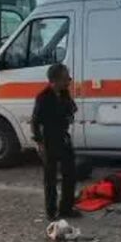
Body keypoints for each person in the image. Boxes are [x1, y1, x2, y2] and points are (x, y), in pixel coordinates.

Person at [31, 62, 78, 221]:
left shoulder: (64, 94)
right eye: (66, 78)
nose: (69, 81)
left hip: (63, 138)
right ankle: (51, 211)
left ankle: (67, 208)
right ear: (55, 80)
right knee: (50, 179)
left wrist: (69, 111)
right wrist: (40, 143)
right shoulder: (43, 97)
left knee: (70, 174)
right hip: (49, 140)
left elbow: (71, 109)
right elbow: (35, 122)